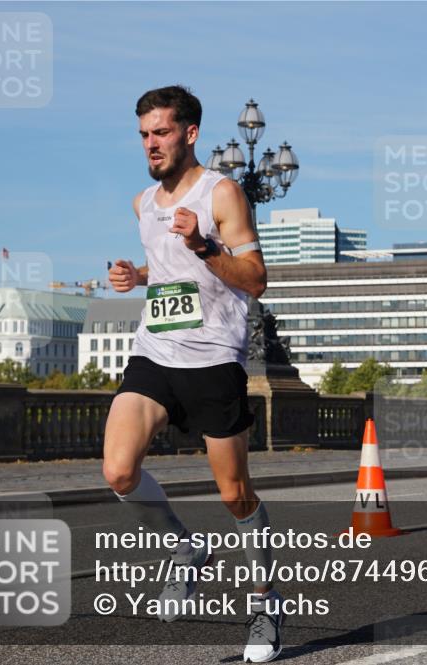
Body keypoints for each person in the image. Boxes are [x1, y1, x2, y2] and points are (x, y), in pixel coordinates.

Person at [103, 85, 283, 662]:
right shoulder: (142, 204)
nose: (150, 144)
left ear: (190, 133)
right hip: (155, 352)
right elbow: (172, 277)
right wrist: (140, 277)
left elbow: (255, 279)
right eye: (143, 135)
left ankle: (264, 605)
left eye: (160, 132)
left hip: (213, 360)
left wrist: (205, 245)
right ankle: (185, 551)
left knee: (234, 493)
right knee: (118, 470)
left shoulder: (222, 193)